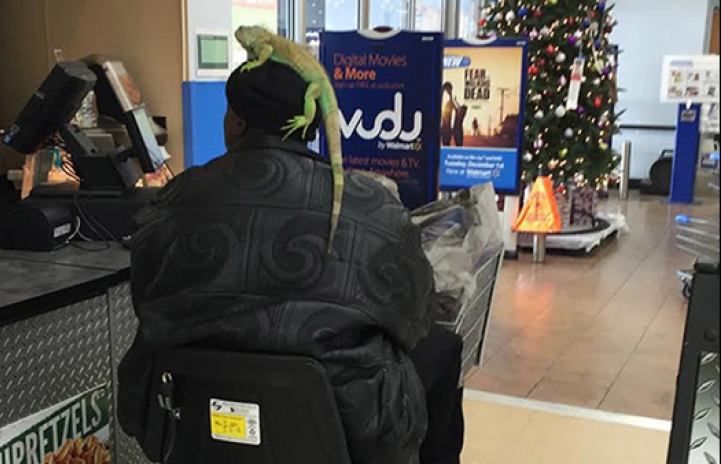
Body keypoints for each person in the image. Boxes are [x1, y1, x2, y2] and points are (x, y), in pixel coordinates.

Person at [117, 59, 464, 464]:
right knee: (443, 347)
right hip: (346, 428)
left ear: (239, 124)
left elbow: (147, 304)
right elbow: (415, 321)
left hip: (191, 421)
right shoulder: (373, 208)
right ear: (311, 128)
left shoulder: (172, 202)